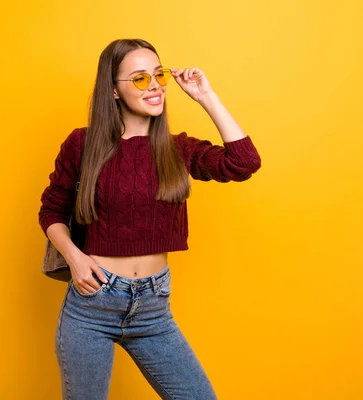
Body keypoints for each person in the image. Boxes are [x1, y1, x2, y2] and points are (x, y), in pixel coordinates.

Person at [38, 38, 262, 400]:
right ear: (113, 90)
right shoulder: (83, 144)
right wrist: (75, 259)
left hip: (153, 308)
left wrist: (205, 96)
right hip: (92, 305)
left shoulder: (178, 149)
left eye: (158, 74)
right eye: (140, 78)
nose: (155, 85)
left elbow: (243, 162)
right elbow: (51, 211)